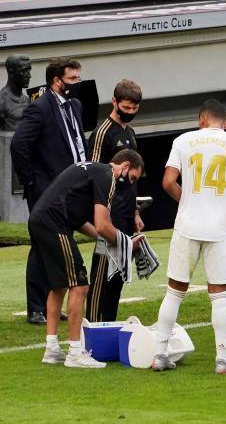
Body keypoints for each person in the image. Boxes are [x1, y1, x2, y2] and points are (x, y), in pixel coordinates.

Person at [152, 100, 226, 374]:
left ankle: (160, 354)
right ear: (225, 123)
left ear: (200, 120)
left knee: (174, 292)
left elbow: (167, 182)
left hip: (187, 225)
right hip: (219, 229)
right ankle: (222, 359)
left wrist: (186, 199)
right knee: (219, 295)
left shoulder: (183, 141)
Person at [33, 150, 144, 368]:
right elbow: (102, 225)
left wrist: (107, 240)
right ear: (125, 166)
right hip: (54, 224)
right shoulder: (108, 176)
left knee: (59, 286)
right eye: (132, 178)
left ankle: (51, 348)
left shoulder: (93, 170)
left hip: (42, 220)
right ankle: (75, 352)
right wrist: (126, 243)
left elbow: (83, 221)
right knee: (80, 284)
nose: (130, 184)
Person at [11, 57, 86, 325]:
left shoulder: (74, 105)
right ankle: (35, 307)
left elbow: (77, 141)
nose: (77, 83)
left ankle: (50, 301)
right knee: (42, 242)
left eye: (78, 78)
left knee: (60, 241)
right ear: (56, 80)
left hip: (71, 186)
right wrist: (31, 182)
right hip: (45, 188)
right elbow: (19, 145)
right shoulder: (40, 107)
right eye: (72, 79)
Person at [86, 80, 144, 322]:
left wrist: (136, 211)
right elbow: (93, 174)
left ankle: (109, 323)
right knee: (101, 274)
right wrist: (101, 214)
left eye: (134, 109)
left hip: (126, 215)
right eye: (126, 108)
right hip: (107, 215)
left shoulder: (130, 133)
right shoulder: (102, 133)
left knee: (118, 275)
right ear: (114, 102)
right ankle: (92, 326)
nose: (130, 112)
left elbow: (133, 178)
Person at [0, 54, 32, 131]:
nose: (29, 75)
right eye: (24, 71)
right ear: (11, 73)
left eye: (29, 70)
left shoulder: (27, 100)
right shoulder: (1, 101)